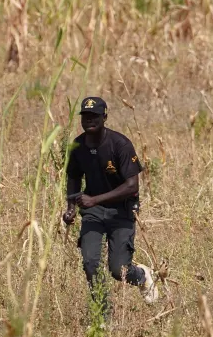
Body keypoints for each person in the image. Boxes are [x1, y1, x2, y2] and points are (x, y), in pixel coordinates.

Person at [63, 96, 159, 315]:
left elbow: (132, 186)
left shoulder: (120, 144)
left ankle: (143, 276)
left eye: (94, 116)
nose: (89, 121)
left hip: (121, 210)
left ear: (104, 117)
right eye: (85, 117)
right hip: (92, 213)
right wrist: (71, 207)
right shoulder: (77, 146)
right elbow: (73, 178)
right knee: (90, 262)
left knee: (119, 270)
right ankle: (103, 315)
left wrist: (94, 199)